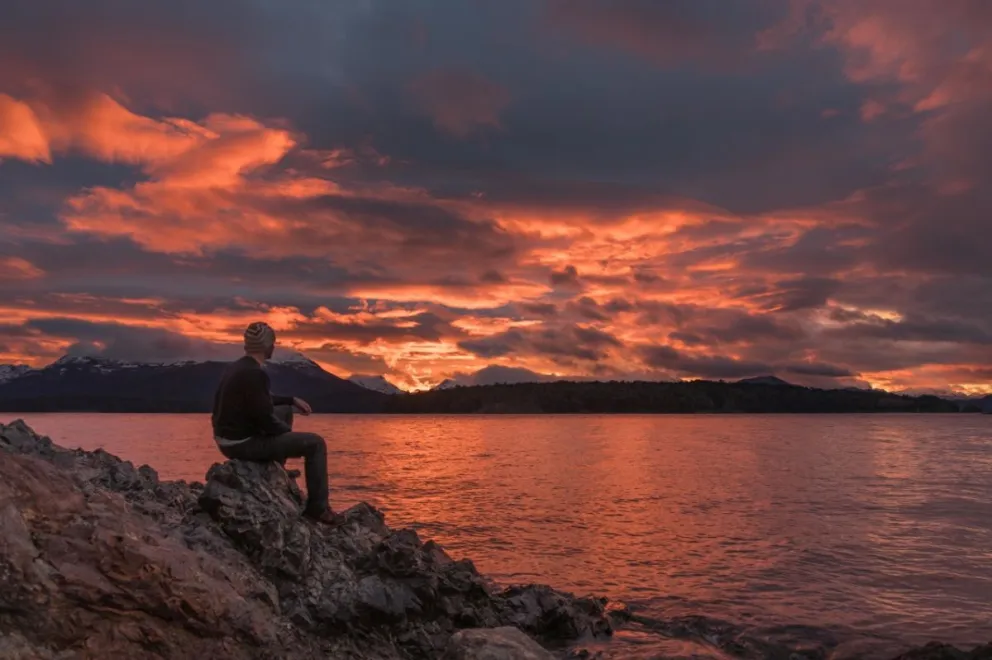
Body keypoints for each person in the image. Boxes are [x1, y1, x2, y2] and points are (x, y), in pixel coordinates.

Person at [211, 321, 336, 524]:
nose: (274, 347)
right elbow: (265, 419)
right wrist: (287, 435)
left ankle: (276, 469)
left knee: (285, 410)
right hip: (241, 444)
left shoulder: (239, 367)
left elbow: (260, 400)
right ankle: (318, 509)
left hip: (227, 438)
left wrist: (290, 400)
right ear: (268, 346)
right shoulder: (254, 374)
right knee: (315, 444)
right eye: (273, 343)